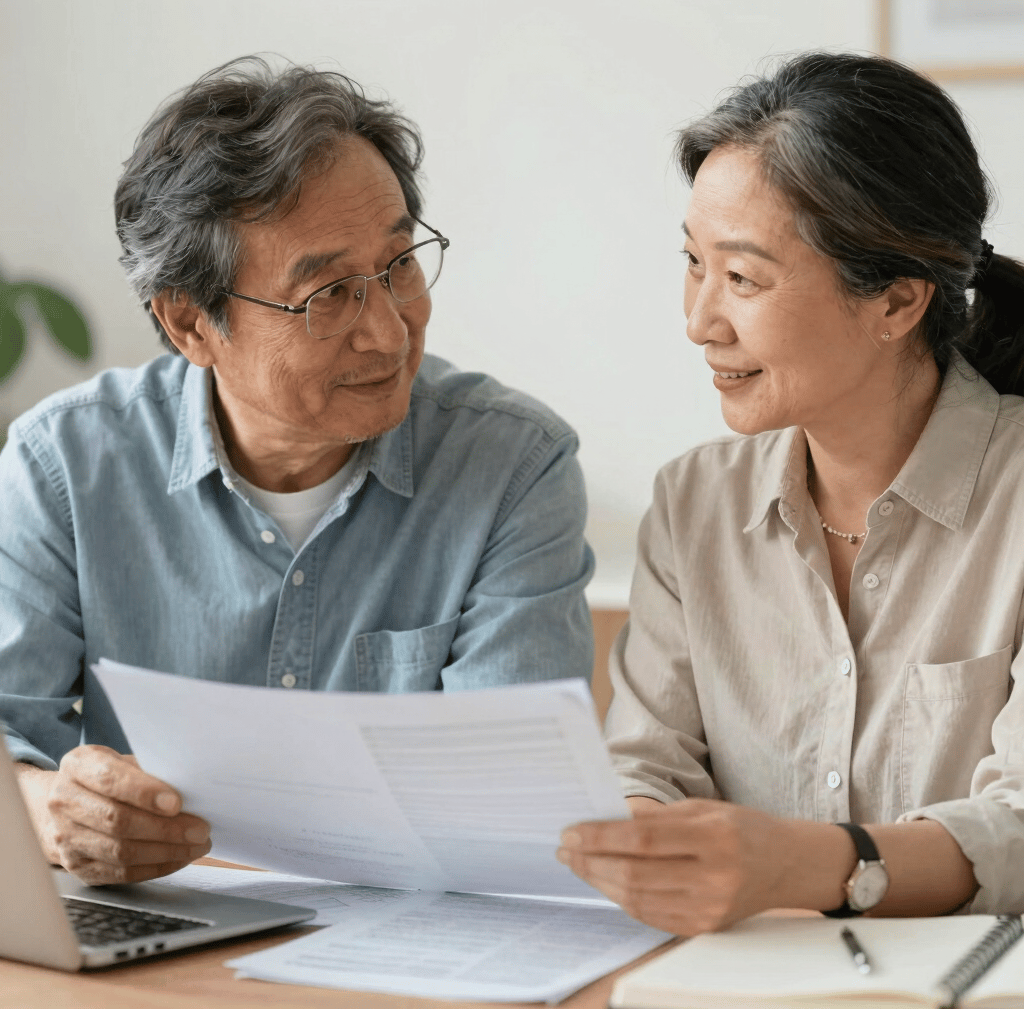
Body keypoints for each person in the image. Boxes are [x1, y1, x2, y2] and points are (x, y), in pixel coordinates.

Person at [0, 56, 594, 886]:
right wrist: (47, 809)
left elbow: (512, 804)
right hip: (153, 929)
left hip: (413, 940)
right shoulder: (62, 465)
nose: (389, 334)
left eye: (399, 266)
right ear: (188, 323)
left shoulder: (513, 467)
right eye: (328, 296)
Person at [557, 52, 1024, 935]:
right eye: (692, 263)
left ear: (897, 303)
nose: (699, 320)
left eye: (742, 278)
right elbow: (643, 770)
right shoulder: (694, 504)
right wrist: (641, 838)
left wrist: (809, 863)